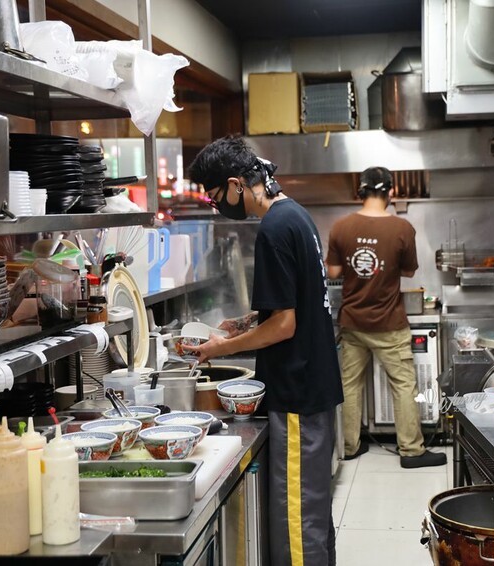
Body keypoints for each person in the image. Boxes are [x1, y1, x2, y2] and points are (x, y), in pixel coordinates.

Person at [186, 135, 343, 566]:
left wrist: (222, 347)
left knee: (297, 522)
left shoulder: (273, 229)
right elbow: (296, 300)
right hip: (314, 388)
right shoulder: (295, 215)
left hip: (296, 395)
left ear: (236, 184)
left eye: (216, 196)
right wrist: (249, 320)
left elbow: (285, 325)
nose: (218, 205)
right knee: (312, 514)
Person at [326, 166, 446, 469]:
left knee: (349, 385)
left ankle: (349, 446)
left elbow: (333, 271)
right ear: (390, 192)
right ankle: (411, 451)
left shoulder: (340, 227)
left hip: (353, 321)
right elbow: (409, 271)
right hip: (389, 323)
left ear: (361, 191)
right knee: (403, 385)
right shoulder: (402, 229)